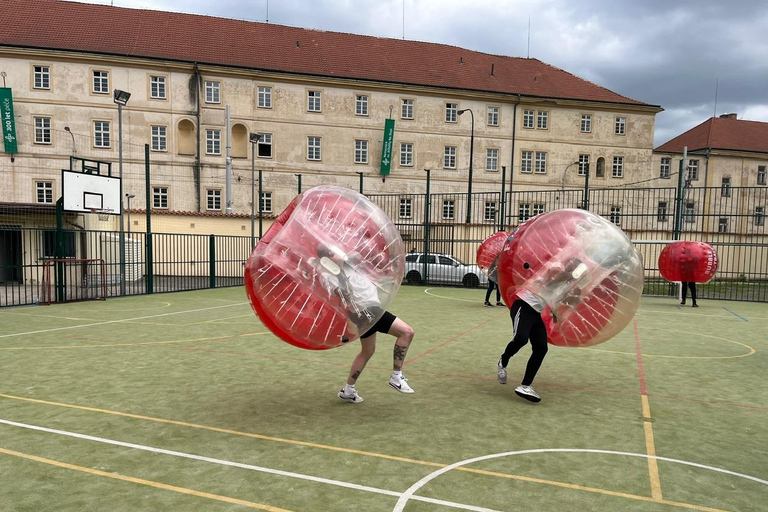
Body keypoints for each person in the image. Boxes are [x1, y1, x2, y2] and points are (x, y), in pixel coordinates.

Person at [314, 245, 416, 404]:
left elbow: (362, 254)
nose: (340, 253)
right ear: (328, 259)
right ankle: (396, 376)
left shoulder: (350, 265)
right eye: (334, 252)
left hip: (367, 312)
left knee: (368, 351)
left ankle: (348, 390)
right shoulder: (328, 276)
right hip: (367, 311)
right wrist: (338, 274)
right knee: (407, 332)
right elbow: (340, 293)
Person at [496, 258, 583, 403]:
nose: (578, 273)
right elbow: (552, 282)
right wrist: (572, 277)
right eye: (577, 269)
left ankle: (525, 385)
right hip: (523, 305)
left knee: (541, 348)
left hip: (536, 313)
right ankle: (502, 362)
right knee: (521, 339)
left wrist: (564, 310)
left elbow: (556, 300)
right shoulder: (556, 269)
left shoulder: (568, 286)